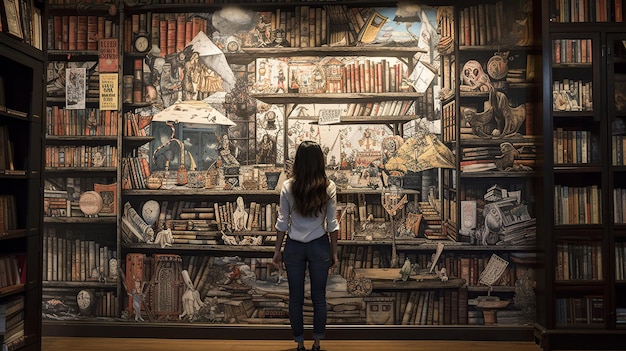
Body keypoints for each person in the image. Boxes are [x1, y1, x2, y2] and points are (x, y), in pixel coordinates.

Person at [272, 140, 339, 351]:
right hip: (319, 244)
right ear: (320, 161)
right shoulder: (328, 186)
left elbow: (282, 222)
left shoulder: (288, 186)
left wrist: (277, 250)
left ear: (298, 161)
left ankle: (299, 344)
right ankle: (317, 343)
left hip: (294, 246)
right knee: (319, 296)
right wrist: (334, 252)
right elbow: (332, 224)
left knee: (296, 298)